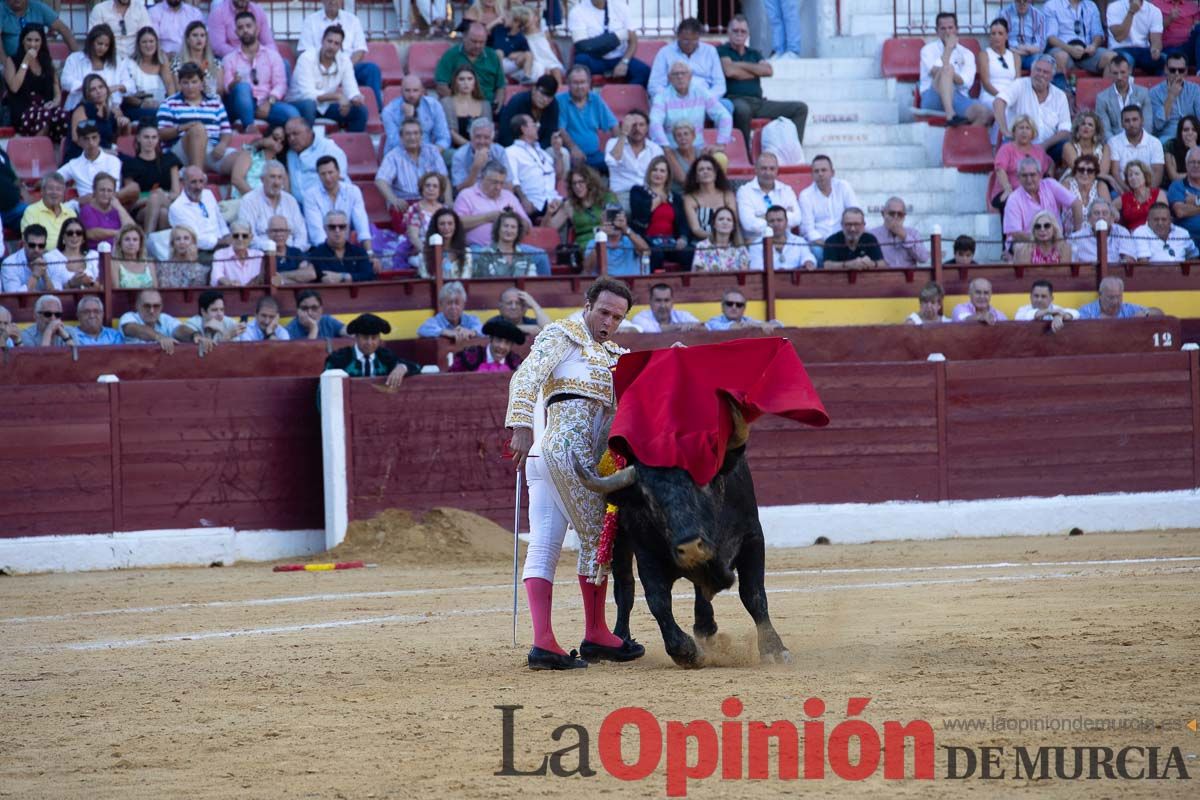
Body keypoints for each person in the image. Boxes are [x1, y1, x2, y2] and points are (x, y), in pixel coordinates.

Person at [505, 276, 645, 671]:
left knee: (545, 545)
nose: (608, 322)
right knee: (598, 537)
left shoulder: (614, 353)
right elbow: (527, 376)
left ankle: (543, 644)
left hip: (555, 458)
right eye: (603, 312)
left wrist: (675, 357)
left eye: (617, 317)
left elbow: (644, 380)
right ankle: (596, 631)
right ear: (587, 305)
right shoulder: (561, 335)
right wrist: (519, 426)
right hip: (566, 452)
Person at [720, 14, 808, 151]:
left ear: (748, 34)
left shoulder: (754, 53)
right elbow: (730, 71)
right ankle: (745, 154)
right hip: (735, 100)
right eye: (735, 31)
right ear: (728, 32)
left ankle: (793, 152)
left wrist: (739, 65)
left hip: (759, 103)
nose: (739, 34)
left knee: (800, 108)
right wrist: (754, 70)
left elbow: (768, 71)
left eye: (743, 31)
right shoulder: (722, 50)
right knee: (742, 110)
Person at [297, 0, 382, 113]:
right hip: (320, 69)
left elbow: (360, 50)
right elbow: (304, 50)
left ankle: (376, 112)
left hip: (349, 66)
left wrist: (343, 69)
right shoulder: (311, 21)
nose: (332, 1)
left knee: (372, 69)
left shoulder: (352, 20)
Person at [223, 11, 300, 131]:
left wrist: (269, 103)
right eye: (241, 28)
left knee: (293, 114)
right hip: (240, 105)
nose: (245, 30)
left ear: (257, 29)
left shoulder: (272, 56)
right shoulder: (229, 59)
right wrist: (234, 83)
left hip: (267, 103)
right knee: (242, 88)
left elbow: (280, 84)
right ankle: (250, 128)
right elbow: (227, 87)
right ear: (236, 33)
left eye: (249, 26)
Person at [157, 63, 238, 176]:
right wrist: (182, 128)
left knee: (243, 158)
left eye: (194, 82)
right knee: (198, 129)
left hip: (211, 151)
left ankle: (239, 190)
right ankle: (197, 178)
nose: (190, 87)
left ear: (201, 83)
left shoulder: (215, 103)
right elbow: (161, 134)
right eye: (185, 83)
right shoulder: (169, 103)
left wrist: (223, 144)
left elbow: (226, 131)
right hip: (181, 153)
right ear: (179, 84)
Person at [919, 12, 993, 126]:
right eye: (943, 28)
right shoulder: (927, 50)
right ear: (937, 31)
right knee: (946, 69)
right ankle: (951, 116)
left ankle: (961, 141)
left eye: (950, 28)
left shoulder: (967, 53)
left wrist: (951, 74)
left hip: (958, 96)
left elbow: (966, 82)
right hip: (933, 97)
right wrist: (948, 49)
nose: (947, 32)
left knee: (985, 114)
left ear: (956, 29)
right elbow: (935, 72)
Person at [288, 24, 366, 132]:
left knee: (360, 111)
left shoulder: (344, 61)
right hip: (300, 104)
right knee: (309, 105)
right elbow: (308, 94)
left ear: (340, 47)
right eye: (329, 41)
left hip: (325, 106)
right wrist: (337, 97)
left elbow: (351, 88)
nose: (332, 47)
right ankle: (307, 146)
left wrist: (356, 98)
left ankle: (351, 146)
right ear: (322, 41)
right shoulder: (306, 58)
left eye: (336, 44)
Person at [994, 55, 1071, 162]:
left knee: (1068, 147)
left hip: (1048, 146)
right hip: (1020, 143)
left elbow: (1065, 130)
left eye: (1045, 72)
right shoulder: (1019, 85)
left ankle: (1077, 177)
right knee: (1009, 149)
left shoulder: (1060, 95)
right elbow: (999, 101)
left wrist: (1044, 145)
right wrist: (1004, 130)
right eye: (1038, 70)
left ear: (1052, 77)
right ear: (1031, 71)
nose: (1040, 75)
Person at [4, 23, 70, 141]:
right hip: (23, 111)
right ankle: (34, 149)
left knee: (62, 115)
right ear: (23, 41)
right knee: (45, 116)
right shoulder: (12, 61)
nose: (32, 44)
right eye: (29, 40)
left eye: (36, 40)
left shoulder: (46, 62)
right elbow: (14, 87)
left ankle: (57, 152)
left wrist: (55, 102)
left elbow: (56, 88)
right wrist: (26, 61)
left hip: (45, 108)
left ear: (42, 42)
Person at [648, 60, 732, 152]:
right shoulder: (661, 97)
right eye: (675, 74)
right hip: (671, 150)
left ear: (690, 76)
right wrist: (665, 147)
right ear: (669, 78)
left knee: (720, 159)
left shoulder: (701, 92)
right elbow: (654, 122)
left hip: (698, 149)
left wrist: (721, 143)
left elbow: (724, 116)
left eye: (683, 73)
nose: (680, 77)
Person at [324, 313, 419, 389]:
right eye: (365, 338)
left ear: (379, 339)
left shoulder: (385, 356)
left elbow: (417, 367)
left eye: (374, 338)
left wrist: (403, 367)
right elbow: (324, 391)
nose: (369, 342)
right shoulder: (339, 358)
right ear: (356, 337)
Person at [567, 0, 650, 88]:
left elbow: (633, 41)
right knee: (581, 60)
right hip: (594, 59)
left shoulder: (621, 7)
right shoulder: (577, 12)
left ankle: (624, 96)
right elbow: (583, 46)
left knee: (644, 72)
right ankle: (588, 99)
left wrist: (624, 62)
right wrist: (619, 36)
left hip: (618, 58)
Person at [377, 118, 450, 219]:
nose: (412, 137)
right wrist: (394, 199)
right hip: (406, 203)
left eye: (416, 133)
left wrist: (449, 202)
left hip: (431, 200)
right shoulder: (393, 156)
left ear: (421, 136)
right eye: (408, 134)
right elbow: (380, 180)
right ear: (401, 137)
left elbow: (444, 178)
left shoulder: (432, 151)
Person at [629, 155, 688, 271]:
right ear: (649, 173)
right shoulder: (637, 191)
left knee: (688, 254)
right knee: (656, 255)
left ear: (667, 175)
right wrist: (657, 201)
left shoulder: (675, 197)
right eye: (654, 170)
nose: (658, 174)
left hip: (670, 241)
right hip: (646, 240)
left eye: (662, 171)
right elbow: (639, 216)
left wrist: (683, 238)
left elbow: (682, 222)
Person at [648, 18, 727, 105]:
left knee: (727, 106)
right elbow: (655, 85)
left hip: (704, 101)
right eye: (685, 40)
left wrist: (707, 99)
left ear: (699, 37)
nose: (690, 44)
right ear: (678, 36)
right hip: (674, 101)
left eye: (694, 40)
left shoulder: (710, 51)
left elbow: (719, 84)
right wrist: (671, 99)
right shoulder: (665, 53)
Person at [1004, 157, 1082, 244]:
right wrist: (1043, 241)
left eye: (1032, 175)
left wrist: (1077, 234)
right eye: (1024, 175)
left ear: (1040, 175)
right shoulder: (1013, 199)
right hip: (1027, 242)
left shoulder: (1050, 184)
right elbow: (1016, 233)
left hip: (1055, 241)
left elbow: (1076, 203)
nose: (1029, 180)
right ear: (1018, 177)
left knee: (1068, 249)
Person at [119, 125, 182, 233]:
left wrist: (160, 196)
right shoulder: (130, 164)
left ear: (158, 139)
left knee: (160, 204)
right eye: (146, 137)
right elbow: (131, 198)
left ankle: (147, 239)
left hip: (168, 202)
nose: (150, 141)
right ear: (138, 138)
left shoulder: (169, 159)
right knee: (162, 212)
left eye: (154, 137)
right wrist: (153, 198)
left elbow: (176, 193)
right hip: (141, 207)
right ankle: (153, 241)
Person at [797, 155, 859, 265]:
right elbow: (808, 230)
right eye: (816, 171)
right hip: (820, 243)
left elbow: (855, 214)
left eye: (824, 170)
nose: (820, 174)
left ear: (832, 172)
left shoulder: (843, 187)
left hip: (846, 238)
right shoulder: (805, 195)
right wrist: (829, 245)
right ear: (812, 175)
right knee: (818, 252)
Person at [556, 64, 619, 171]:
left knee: (617, 165)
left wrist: (619, 148)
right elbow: (560, 129)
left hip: (594, 155)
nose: (580, 87)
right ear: (568, 84)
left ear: (589, 83)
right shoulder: (560, 100)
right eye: (575, 83)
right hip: (570, 156)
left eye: (583, 82)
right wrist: (573, 148)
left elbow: (613, 125)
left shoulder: (595, 99)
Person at [302, 156, 369, 256]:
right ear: (318, 176)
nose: (327, 178)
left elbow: (362, 226)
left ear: (338, 172)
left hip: (347, 247)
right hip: (321, 250)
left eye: (330, 172)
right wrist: (334, 256)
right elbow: (317, 233)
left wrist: (370, 252)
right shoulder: (310, 195)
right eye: (323, 174)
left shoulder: (353, 191)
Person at [454, 161, 531, 247]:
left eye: (501, 183)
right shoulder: (466, 195)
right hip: (479, 247)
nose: (498, 187)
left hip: (511, 247)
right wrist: (486, 217)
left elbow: (527, 223)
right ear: (482, 178)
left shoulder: (509, 196)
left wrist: (516, 220)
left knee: (541, 255)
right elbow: (456, 223)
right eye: (494, 182)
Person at [506, 113, 565, 224]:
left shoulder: (541, 151)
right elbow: (513, 180)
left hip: (554, 199)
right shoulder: (511, 152)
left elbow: (558, 175)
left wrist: (557, 153)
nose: (538, 127)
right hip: (535, 203)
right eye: (534, 125)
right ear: (523, 129)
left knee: (577, 204)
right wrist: (524, 200)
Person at [433, 21, 505, 109]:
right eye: (474, 41)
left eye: (482, 42)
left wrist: (498, 102)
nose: (478, 45)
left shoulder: (492, 56)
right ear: (464, 37)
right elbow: (441, 85)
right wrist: (459, 103)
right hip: (458, 106)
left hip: (487, 104)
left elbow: (500, 86)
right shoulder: (450, 55)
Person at [734, 152, 799, 247]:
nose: (768, 173)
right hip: (757, 243)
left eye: (772, 169)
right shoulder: (744, 191)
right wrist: (782, 218)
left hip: (786, 243)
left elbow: (797, 218)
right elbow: (748, 224)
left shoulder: (786, 190)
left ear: (777, 170)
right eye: (764, 168)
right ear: (756, 169)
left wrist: (763, 217)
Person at [241, 161, 308, 253]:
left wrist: (293, 253)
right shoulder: (249, 200)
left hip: (292, 255)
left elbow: (301, 234)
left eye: (280, 177)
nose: (276, 182)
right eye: (272, 177)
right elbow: (248, 236)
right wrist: (272, 249)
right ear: (262, 179)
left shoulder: (290, 200)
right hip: (263, 255)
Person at [546, 165, 616, 252]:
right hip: (586, 247)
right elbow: (549, 230)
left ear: (590, 182)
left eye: (581, 182)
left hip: (609, 241)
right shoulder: (569, 205)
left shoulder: (608, 197)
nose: (577, 187)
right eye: (574, 183)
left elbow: (615, 225)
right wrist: (549, 213)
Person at [991, 115, 1053, 211]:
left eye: (1027, 128)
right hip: (1008, 191)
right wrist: (1007, 189)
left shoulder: (1039, 151)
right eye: (1021, 128)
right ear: (1014, 132)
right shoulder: (1006, 149)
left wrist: (1049, 178)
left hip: (1032, 192)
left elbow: (1050, 163)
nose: (1024, 131)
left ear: (1033, 133)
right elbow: (1000, 170)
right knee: (1012, 201)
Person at [118, 26, 174, 128]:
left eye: (151, 41)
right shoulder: (129, 64)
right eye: (144, 42)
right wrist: (142, 103)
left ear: (156, 43)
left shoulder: (162, 60)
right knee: (159, 115)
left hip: (160, 106)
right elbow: (124, 95)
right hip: (136, 107)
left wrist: (172, 105)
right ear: (138, 45)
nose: (148, 45)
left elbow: (169, 84)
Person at [1044, 0, 1114, 81]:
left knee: (1111, 58)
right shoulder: (1052, 5)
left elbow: (1098, 34)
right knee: (1061, 56)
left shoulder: (1091, 5)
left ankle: (1106, 92)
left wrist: (1094, 46)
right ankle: (1062, 91)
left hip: (1087, 52)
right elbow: (1051, 38)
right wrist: (1070, 49)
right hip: (1063, 48)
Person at [283, 116, 348, 204]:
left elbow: (339, 184)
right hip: (297, 207)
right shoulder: (290, 154)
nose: (291, 139)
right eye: (288, 135)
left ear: (309, 132)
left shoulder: (329, 149)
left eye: (295, 134)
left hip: (325, 205)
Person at [65, 74, 128, 162]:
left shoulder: (109, 112)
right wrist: (102, 151)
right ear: (87, 94)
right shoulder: (82, 109)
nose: (98, 91)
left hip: (106, 154)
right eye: (93, 89)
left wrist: (125, 123)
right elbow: (77, 138)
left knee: (133, 164)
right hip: (83, 156)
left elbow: (116, 137)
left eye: (101, 87)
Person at [604, 110, 663, 205]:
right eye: (633, 125)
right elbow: (611, 162)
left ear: (647, 128)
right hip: (620, 194)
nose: (637, 129)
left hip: (646, 193)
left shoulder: (655, 149)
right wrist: (623, 134)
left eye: (641, 125)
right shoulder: (613, 143)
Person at [382, 74, 452, 154]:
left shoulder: (434, 106)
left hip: (430, 152)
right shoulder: (389, 111)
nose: (411, 95)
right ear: (401, 91)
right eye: (407, 90)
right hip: (399, 155)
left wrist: (433, 153)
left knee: (452, 155)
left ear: (422, 91)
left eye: (415, 90)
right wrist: (408, 119)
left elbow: (444, 138)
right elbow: (395, 144)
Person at [168, 166, 231, 254]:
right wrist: (222, 242)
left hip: (223, 246)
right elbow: (194, 238)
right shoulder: (177, 208)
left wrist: (227, 236)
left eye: (201, 181)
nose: (198, 187)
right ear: (183, 183)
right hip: (200, 253)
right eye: (193, 182)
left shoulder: (208, 194)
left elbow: (220, 221)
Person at [61, 24, 123, 112]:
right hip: (78, 108)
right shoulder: (74, 58)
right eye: (99, 43)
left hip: (108, 110)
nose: (103, 48)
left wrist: (119, 88)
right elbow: (65, 81)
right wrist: (89, 88)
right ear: (91, 41)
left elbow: (125, 86)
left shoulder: (115, 61)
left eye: (106, 45)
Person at [473, 210, 551, 277]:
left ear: (518, 232)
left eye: (513, 227)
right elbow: (483, 285)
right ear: (498, 229)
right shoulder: (485, 255)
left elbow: (531, 282)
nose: (509, 230)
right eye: (506, 226)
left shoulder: (526, 257)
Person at [682, 154, 738, 246]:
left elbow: (734, 223)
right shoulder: (689, 199)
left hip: (727, 242)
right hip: (701, 244)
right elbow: (696, 229)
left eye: (709, 169)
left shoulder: (727, 195)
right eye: (701, 169)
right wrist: (716, 238)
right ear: (696, 176)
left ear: (716, 174)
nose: (705, 172)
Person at [1095, 55, 1152, 143]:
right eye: (1115, 73)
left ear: (1129, 71)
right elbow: (1105, 130)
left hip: (1140, 141)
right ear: (1110, 73)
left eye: (1123, 72)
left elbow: (1148, 124)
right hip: (1114, 144)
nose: (1119, 77)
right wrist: (1118, 145)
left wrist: (1139, 142)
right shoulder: (1102, 98)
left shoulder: (1143, 93)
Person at [1109, 104, 1165, 191]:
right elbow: (1115, 173)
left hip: (1149, 190)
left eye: (1135, 120)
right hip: (1123, 190)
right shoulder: (1114, 142)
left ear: (1142, 121)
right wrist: (1130, 193)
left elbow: (1157, 172)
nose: (1131, 124)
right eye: (1127, 121)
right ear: (1122, 124)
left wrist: (1146, 194)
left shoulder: (1155, 143)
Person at [400, 172, 450, 270]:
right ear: (422, 188)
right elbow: (414, 237)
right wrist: (431, 253)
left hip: (444, 250)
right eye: (427, 185)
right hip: (422, 251)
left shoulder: (445, 209)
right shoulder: (415, 209)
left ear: (440, 190)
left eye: (435, 186)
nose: (431, 189)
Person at [61, 119, 123, 198]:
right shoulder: (73, 165)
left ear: (99, 138)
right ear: (79, 142)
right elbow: (54, 178)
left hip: (109, 204)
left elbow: (113, 190)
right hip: (85, 207)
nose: (91, 143)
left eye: (94, 138)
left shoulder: (112, 161)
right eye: (86, 139)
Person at [306, 210, 373, 283]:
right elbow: (321, 279)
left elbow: (369, 276)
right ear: (325, 229)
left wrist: (342, 276)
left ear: (347, 228)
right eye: (332, 227)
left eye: (342, 226)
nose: (337, 230)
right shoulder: (316, 255)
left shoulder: (359, 252)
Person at [496, 74, 559, 149]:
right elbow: (504, 134)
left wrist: (536, 150)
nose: (545, 99)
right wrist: (524, 151)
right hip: (514, 149)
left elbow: (549, 136)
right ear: (534, 89)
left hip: (539, 150)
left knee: (562, 152)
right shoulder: (517, 102)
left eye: (549, 96)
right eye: (542, 93)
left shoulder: (553, 105)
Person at [506, 4, 563, 86]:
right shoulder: (522, 36)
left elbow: (549, 48)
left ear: (536, 18)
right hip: (534, 61)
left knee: (554, 67)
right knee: (539, 68)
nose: (529, 19)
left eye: (531, 16)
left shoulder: (542, 32)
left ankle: (559, 89)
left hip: (547, 58)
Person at [583, 205, 648, 275]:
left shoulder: (632, 239)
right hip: (605, 284)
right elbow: (588, 269)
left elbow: (646, 252)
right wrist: (600, 238)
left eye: (617, 218)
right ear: (602, 220)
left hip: (630, 284)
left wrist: (626, 229)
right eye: (610, 217)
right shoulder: (594, 243)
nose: (613, 221)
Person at [450, 117, 509, 194]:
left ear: (492, 139)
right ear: (471, 137)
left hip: (496, 196)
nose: (482, 141)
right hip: (472, 199)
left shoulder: (499, 151)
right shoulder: (460, 155)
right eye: (478, 137)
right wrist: (476, 168)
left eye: (486, 137)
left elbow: (508, 184)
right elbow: (460, 190)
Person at [1107, 0, 1167, 75]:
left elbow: (1156, 40)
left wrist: (1155, 50)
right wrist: (1131, 12)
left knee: (1165, 59)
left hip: (1143, 49)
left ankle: (1165, 86)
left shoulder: (1154, 11)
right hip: (1119, 48)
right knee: (1126, 61)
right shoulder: (1114, 7)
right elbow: (1119, 37)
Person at [0, 0, 76, 59]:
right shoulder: (1, 8)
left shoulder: (38, 7)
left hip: (39, 61)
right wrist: (5, 65)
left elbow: (64, 29)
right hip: (11, 63)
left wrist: (77, 57)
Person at [1150, 54, 1200, 144]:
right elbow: (1158, 125)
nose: (1177, 73)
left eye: (1181, 70)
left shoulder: (1195, 90)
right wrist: (1171, 96)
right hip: (1168, 136)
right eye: (1172, 70)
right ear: (1166, 69)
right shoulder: (1154, 92)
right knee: (1163, 142)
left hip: (1192, 134)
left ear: (1186, 71)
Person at [1069, 198, 1137, 262]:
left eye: (1105, 213)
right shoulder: (1077, 238)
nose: (1101, 217)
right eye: (1096, 213)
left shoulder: (1121, 232)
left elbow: (1129, 259)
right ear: (1089, 219)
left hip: (1116, 272)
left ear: (1112, 218)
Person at [441, 63, 492, 149]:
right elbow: (450, 132)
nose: (466, 83)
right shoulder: (446, 103)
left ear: (475, 82)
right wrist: (470, 147)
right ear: (455, 82)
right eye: (461, 79)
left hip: (481, 148)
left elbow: (488, 131)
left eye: (470, 79)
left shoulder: (485, 104)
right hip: (455, 149)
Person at [79, 172, 135, 249]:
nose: (106, 194)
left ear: (114, 193)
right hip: (95, 253)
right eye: (102, 190)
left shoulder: (118, 209)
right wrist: (119, 233)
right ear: (94, 191)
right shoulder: (87, 210)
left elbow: (133, 230)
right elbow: (92, 233)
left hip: (118, 252)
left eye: (109, 191)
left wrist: (119, 207)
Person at [750, 205, 816, 271]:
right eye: (772, 221)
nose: (775, 224)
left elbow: (808, 257)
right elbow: (757, 269)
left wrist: (808, 262)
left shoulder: (799, 241)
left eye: (779, 220)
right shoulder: (756, 245)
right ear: (767, 224)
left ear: (786, 222)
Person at [868, 197, 929, 267]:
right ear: (883, 214)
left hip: (908, 277)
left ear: (904, 216)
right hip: (883, 276)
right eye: (892, 213)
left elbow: (923, 258)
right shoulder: (872, 235)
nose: (896, 217)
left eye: (900, 214)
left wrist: (905, 237)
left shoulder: (913, 233)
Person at [1, 224, 62, 292]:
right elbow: (14, 297)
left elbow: (57, 294)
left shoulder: (53, 260)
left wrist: (45, 275)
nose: (36, 249)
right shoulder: (9, 264)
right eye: (32, 245)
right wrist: (35, 276)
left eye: (41, 246)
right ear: (24, 243)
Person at [450, 317, 526, 373]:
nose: (502, 346)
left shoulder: (516, 363)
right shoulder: (468, 356)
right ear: (490, 339)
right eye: (498, 340)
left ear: (511, 346)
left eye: (507, 343)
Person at [170, 21, 224, 98]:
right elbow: (179, 89)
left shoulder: (216, 63)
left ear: (206, 39)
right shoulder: (178, 63)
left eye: (202, 35)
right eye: (195, 35)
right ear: (188, 39)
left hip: (212, 104)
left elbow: (220, 91)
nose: (199, 39)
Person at [417, 280, 484, 341]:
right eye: (449, 303)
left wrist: (472, 332)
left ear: (463, 304)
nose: (453, 307)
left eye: (457, 303)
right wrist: (445, 332)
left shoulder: (470, 319)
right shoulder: (436, 321)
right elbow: (422, 330)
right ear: (441, 304)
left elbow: (484, 330)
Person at [209, 0, 277, 59]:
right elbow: (218, 46)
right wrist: (243, 55)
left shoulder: (258, 10)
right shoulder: (219, 12)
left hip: (257, 56)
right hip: (231, 57)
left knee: (283, 64)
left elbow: (269, 42)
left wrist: (271, 57)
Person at [21, 172, 75, 245]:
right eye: (50, 188)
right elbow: (29, 242)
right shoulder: (31, 212)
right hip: (42, 255)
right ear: (42, 191)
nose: (54, 192)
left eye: (58, 189)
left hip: (67, 254)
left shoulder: (70, 213)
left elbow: (76, 238)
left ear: (63, 193)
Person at [1134, 201, 1198, 261]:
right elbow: (1143, 263)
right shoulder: (1140, 232)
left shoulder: (1182, 233)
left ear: (1170, 220)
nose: (1160, 223)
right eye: (1156, 219)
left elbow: (1193, 255)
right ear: (1148, 219)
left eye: (1164, 219)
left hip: (1180, 272)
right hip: (1154, 272)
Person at [978, 17, 1019, 109]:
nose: (996, 37)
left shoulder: (1015, 56)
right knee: (1002, 108)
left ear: (1006, 36)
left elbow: (1017, 82)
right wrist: (1002, 97)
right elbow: (986, 83)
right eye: (993, 34)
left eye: (1000, 34)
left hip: (1010, 96)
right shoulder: (984, 55)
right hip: (991, 95)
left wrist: (1010, 97)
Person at [48, 218, 100, 289]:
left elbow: (102, 287)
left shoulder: (94, 256)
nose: (74, 236)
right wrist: (71, 283)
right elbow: (53, 292)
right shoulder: (51, 257)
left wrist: (89, 282)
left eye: (78, 233)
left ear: (83, 238)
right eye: (70, 233)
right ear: (63, 237)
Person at [177, 289, 246, 342]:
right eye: (214, 310)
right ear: (203, 311)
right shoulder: (194, 323)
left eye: (222, 309)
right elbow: (178, 331)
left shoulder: (230, 323)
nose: (220, 314)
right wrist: (227, 336)